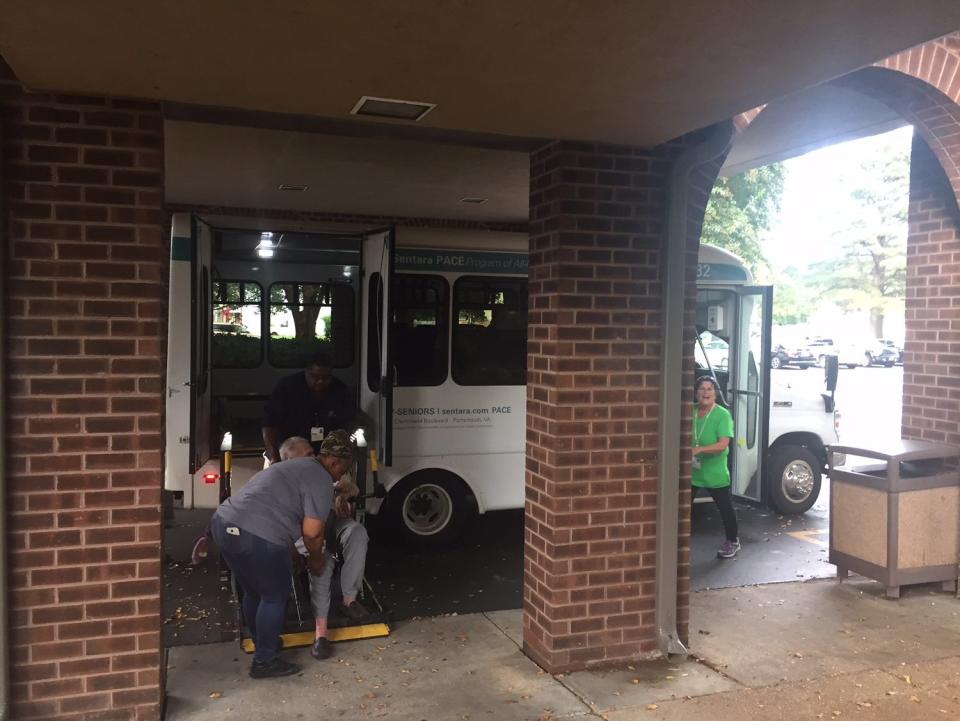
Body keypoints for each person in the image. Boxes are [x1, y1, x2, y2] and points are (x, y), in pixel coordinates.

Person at [210, 436, 351, 679]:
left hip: (224, 524)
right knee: (274, 596)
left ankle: (264, 643)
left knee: (254, 592)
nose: (344, 474)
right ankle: (264, 662)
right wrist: (316, 560)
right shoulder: (320, 478)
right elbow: (313, 532)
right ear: (336, 463)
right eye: (345, 468)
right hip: (257, 535)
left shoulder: (289, 467)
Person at [282, 432, 371, 661]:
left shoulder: (324, 471)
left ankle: (349, 599)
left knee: (357, 532)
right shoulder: (286, 479)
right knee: (323, 563)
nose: (312, 460)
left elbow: (350, 487)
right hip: (305, 532)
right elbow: (310, 531)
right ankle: (321, 633)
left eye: (312, 454)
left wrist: (343, 493)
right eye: (307, 456)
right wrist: (313, 555)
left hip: (330, 523)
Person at [262, 351, 361, 463]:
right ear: (306, 372)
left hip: (325, 450)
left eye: (325, 377)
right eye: (315, 376)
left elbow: (349, 423)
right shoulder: (286, 388)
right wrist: (275, 459)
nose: (320, 381)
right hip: (289, 448)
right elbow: (269, 426)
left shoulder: (340, 391)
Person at [692, 375, 740, 559]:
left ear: (715, 393)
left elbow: (722, 445)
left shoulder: (722, 415)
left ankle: (733, 541)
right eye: (702, 389)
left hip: (714, 471)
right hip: (692, 471)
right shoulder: (691, 411)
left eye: (710, 389)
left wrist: (699, 449)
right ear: (696, 393)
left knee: (725, 508)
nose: (705, 392)